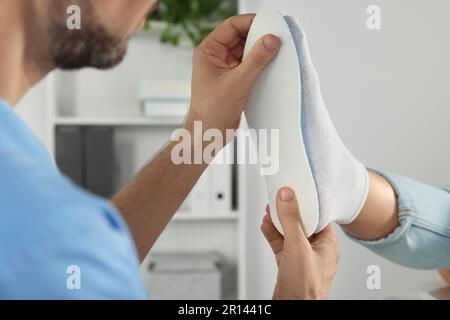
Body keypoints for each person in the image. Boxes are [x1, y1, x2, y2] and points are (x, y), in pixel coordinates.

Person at [0, 0, 339, 299]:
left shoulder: (39, 221)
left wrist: (203, 130)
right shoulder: (42, 232)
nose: (153, 5)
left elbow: (76, 257)